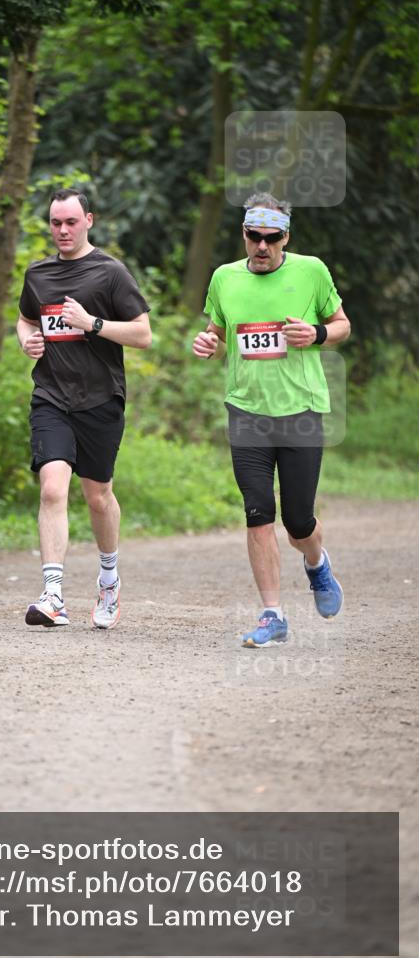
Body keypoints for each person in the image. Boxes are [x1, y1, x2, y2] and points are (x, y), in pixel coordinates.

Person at [192, 193, 351, 647]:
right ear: (243, 234)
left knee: (298, 521)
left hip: (300, 411)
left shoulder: (311, 271)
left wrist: (317, 333)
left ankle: (317, 564)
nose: (262, 247)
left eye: (271, 238)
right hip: (246, 412)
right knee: (258, 513)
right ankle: (272, 615)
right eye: (253, 237)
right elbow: (217, 332)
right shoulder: (224, 277)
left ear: (286, 237)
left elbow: (342, 324)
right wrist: (208, 344)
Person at [17, 188, 152, 629]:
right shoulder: (37, 274)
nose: (62, 231)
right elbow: (26, 318)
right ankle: (53, 595)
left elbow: (142, 334)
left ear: (88, 220)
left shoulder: (110, 273)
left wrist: (92, 324)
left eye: (70, 222)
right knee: (53, 488)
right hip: (52, 395)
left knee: (98, 496)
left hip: (100, 398)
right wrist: (26, 339)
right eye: (55, 223)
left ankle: (109, 578)